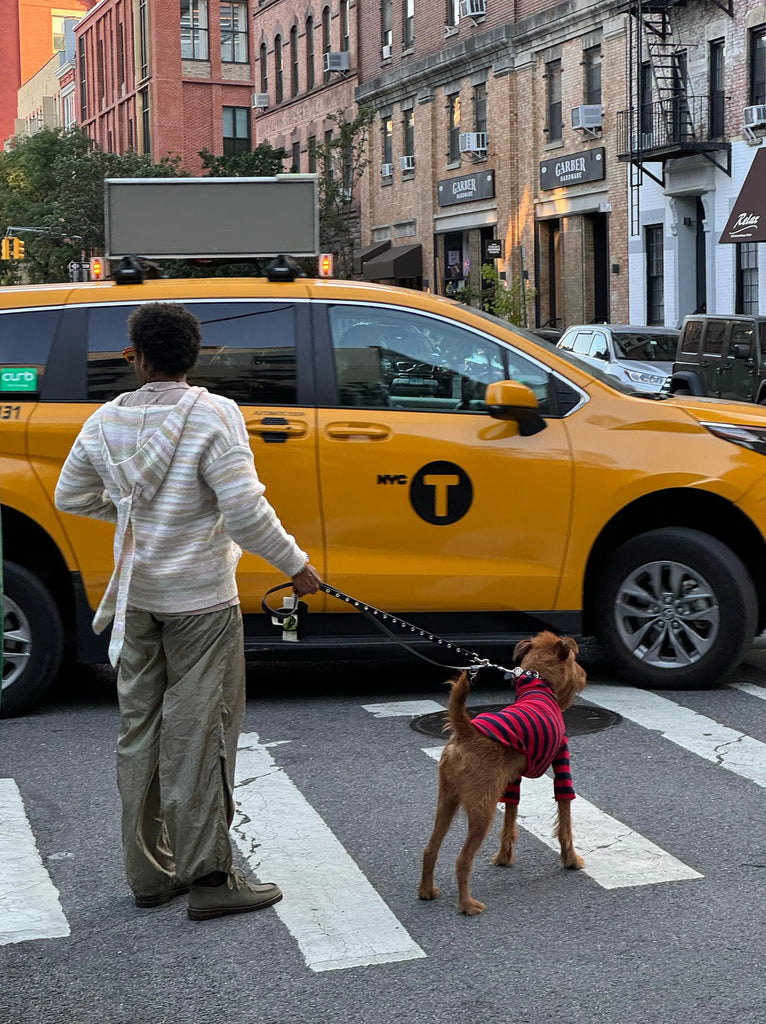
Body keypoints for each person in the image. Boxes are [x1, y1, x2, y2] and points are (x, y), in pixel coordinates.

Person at [54, 301, 322, 921]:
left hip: (137, 598)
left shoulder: (104, 422)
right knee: (201, 734)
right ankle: (208, 877)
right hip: (201, 600)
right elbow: (246, 511)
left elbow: (71, 494)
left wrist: (131, 517)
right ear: (193, 356)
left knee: (139, 731)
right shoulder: (214, 415)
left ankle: (150, 874)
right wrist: (296, 565)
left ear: (138, 356)